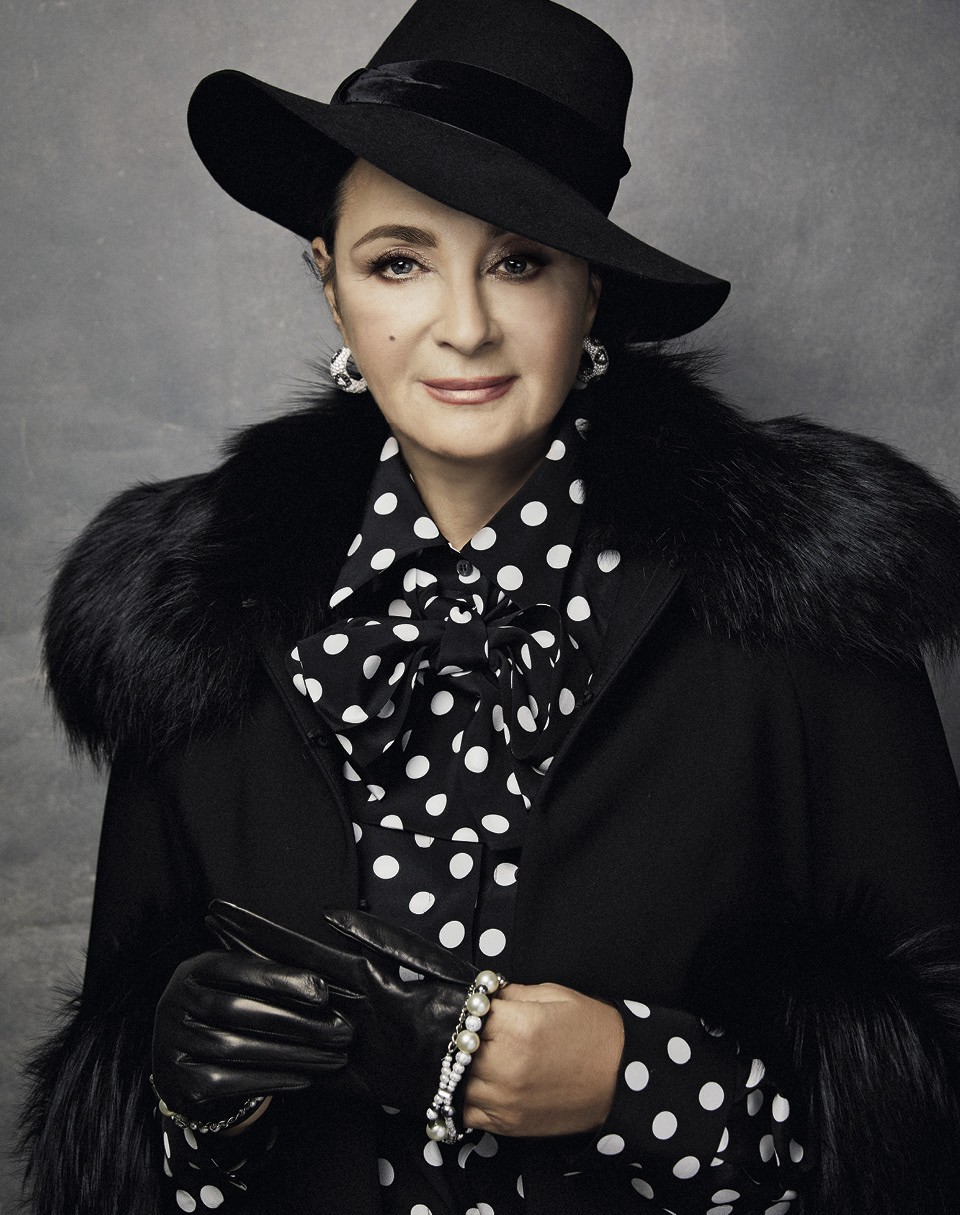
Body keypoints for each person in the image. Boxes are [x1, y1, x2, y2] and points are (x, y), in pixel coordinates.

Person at [17, 1, 960, 1213]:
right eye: (397, 262)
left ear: (591, 292)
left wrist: (630, 1081)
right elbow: (113, 1137)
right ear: (330, 285)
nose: (463, 327)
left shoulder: (806, 603)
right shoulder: (187, 614)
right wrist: (191, 1099)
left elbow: (929, 1117)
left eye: (519, 262)